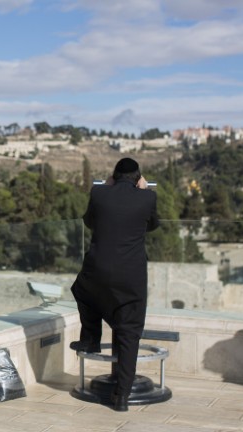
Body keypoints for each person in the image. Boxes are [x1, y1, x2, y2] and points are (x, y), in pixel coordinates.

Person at [69, 157, 160, 412]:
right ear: (138, 177)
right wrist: (142, 192)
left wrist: (107, 188)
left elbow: (89, 221)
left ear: (113, 177)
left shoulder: (99, 193)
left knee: (82, 291)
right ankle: (121, 397)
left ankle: (90, 338)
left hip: (97, 272)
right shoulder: (148, 198)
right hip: (131, 277)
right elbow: (152, 225)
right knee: (129, 332)